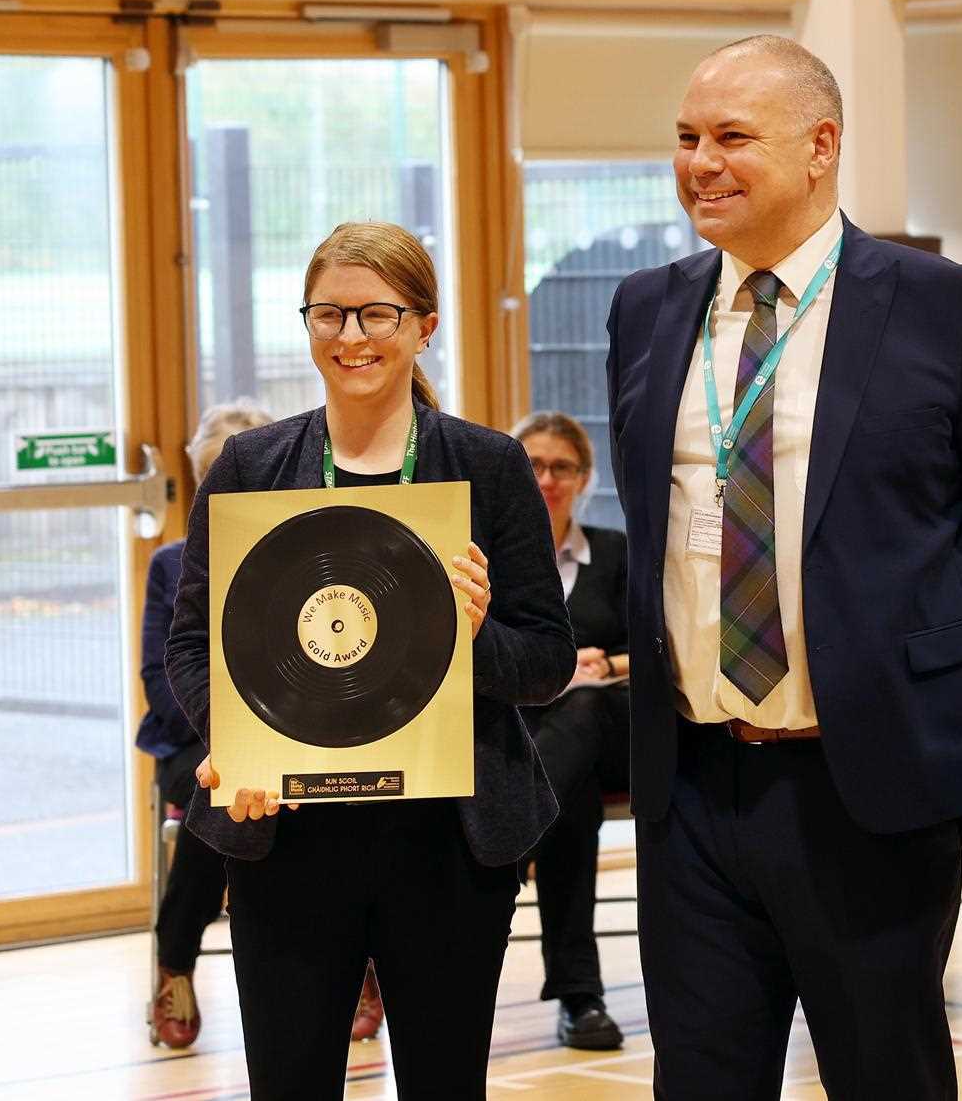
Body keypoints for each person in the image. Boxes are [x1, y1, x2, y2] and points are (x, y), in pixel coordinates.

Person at [606, 35, 962, 1098]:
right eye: (686, 138)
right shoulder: (646, 307)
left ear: (821, 147)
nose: (700, 163)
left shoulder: (948, 305)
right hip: (688, 782)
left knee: (884, 1073)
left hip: (869, 784)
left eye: (732, 137)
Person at [164, 221, 573, 1100]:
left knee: (443, 1081)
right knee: (290, 1080)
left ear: (425, 325)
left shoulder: (491, 466)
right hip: (286, 834)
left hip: (450, 841)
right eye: (329, 314)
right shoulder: (250, 466)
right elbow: (193, 644)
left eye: (377, 314)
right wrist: (234, 741)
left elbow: (545, 661)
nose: (351, 338)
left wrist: (467, 637)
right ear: (306, 323)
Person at [139, 400, 272, 1048]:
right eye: (222, 471)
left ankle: (351, 958)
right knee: (213, 784)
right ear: (199, 479)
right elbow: (159, 675)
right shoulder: (171, 561)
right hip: (196, 729)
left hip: (283, 728)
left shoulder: (298, 548)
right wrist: (225, 730)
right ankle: (177, 961)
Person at [510, 410, 630, 1050]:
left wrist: (604, 662)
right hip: (535, 743)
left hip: (612, 727)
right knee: (570, 804)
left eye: (562, 466)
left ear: (583, 478)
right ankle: (581, 1000)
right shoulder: (492, 559)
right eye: (532, 465)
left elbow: (664, 645)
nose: (547, 479)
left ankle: (507, 841)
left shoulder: (613, 552)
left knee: (584, 713)